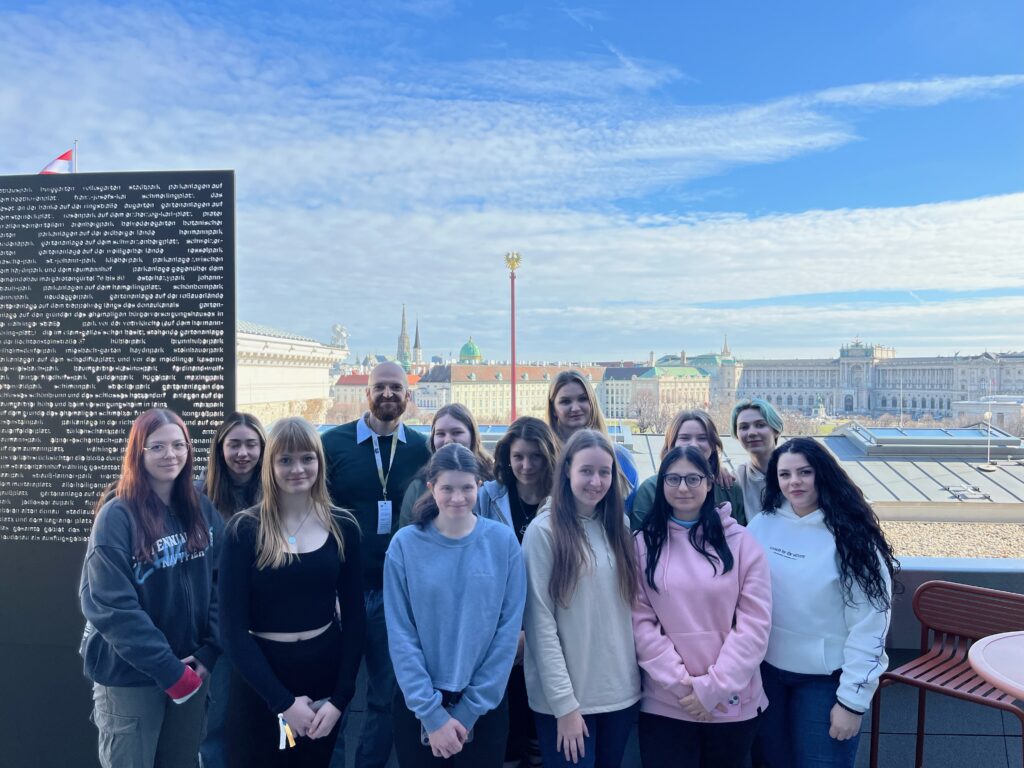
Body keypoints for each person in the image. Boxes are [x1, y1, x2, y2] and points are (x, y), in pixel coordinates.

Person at [219, 417, 366, 767]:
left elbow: (356, 619)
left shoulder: (343, 526)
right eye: (285, 460)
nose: (297, 469)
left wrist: (339, 699)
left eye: (306, 458)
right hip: (262, 681)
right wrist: (283, 703)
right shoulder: (245, 530)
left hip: (322, 683)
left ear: (319, 461)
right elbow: (232, 630)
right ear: (269, 465)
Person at [80, 408, 222, 768]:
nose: (170, 455)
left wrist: (208, 653)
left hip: (193, 670)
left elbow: (224, 581)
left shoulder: (201, 508)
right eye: (157, 447)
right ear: (138, 453)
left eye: (178, 445)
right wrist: (170, 672)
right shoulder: (116, 516)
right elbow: (113, 608)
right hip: (132, 678)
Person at [748, 438, 898, 768]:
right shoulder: (762, 525)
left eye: (805, 472)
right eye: (785, 474)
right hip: (765, 676)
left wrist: (852, 703)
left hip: (825, 682)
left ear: (824, 474)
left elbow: (870, 626)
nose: (794, 482)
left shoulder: (853, 537)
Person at [385, 444, 527, 767]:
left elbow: (506, 636)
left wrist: (467, 711)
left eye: (467, 488)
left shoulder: (503, 543)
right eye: (447, 488)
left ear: (479, 485)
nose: (457, 498)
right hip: (417, 708)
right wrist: (432, 716)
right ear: (431, 487)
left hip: (484, 711)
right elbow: (401, 635)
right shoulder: (404, 545)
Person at [632, 446, 772, 768]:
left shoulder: (742, 543)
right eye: (674, 479)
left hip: (733, 703)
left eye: (693, 478)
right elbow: (640, 623)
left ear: (710, 483)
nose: (683, 487)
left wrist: (713, 689)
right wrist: (685, 688)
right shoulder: (642, 544)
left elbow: (754, 625)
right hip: (665, 703)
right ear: (662, 483)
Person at [321, 361, 431, 768]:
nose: (388, 394)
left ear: (407, 396)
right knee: (331, 690)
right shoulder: (333, 444)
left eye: (396, 388)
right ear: (366, 392)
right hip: (341, 591)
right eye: (380, 387)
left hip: (394, 594)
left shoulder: (421, 448)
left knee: (386, 694)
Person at [522, 429, 640, 768]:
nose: (596, 481)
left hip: (620, 694)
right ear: (567, 471)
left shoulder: (618, 525)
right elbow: (540, 625)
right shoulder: (544, 532)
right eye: (586, 471)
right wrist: (565, 706)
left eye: (605, 472)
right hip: (568, 703)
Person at [477, 416, 558, 768]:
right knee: (505, 714)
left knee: (540, 717)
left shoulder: (562, 498)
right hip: (498, 621)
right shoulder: (487, 497)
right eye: (519, 456)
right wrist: (511, 629)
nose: (527, 465)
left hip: (549, 618)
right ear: (506, 457)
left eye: (536, 457)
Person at [199, 412, 267, 768]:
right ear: (220, 449)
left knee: (265, 718)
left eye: (251, 444)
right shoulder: (198, 497)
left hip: (268, 628)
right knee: (217, 722)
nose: (243, 453)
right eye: (234, 444)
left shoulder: (276, 493)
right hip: (220, 630)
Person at [629, 410, 746, 531]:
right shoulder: (649, 489)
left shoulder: (729, 488)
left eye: (702, 438)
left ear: (713, 445)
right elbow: (638, 541)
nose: (694, 445)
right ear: (671, 444)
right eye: (685, 438)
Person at [545, 370, 639, 510]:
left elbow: (630, 516)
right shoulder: (543, 458)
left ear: (592, 403)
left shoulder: (622, 459)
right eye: (565, 401)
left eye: (583, 399)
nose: (575, 408)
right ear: (553, 409)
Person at [398, 403, 495, 528]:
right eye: (440, 434)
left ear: (472, 435)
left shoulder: (493, 482)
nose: (448, 440)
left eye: (457, 432)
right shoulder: (418, 487)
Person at [729, 398, 785, 521]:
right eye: (744, 427)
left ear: (775, 430)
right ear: (737, 435)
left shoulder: (798, 473)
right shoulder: (735, 480)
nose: (752, 433)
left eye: (760, 425)